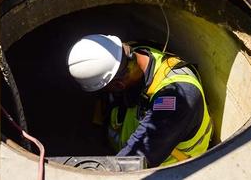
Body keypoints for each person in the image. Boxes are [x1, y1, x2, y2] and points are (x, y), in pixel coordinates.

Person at [67, 34, 213, 168]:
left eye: (105, 90)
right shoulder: (131, 54)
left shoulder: (176, 99)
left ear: (119, 85)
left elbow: (132, 161)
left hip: (172, 171)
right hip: (120, 150)